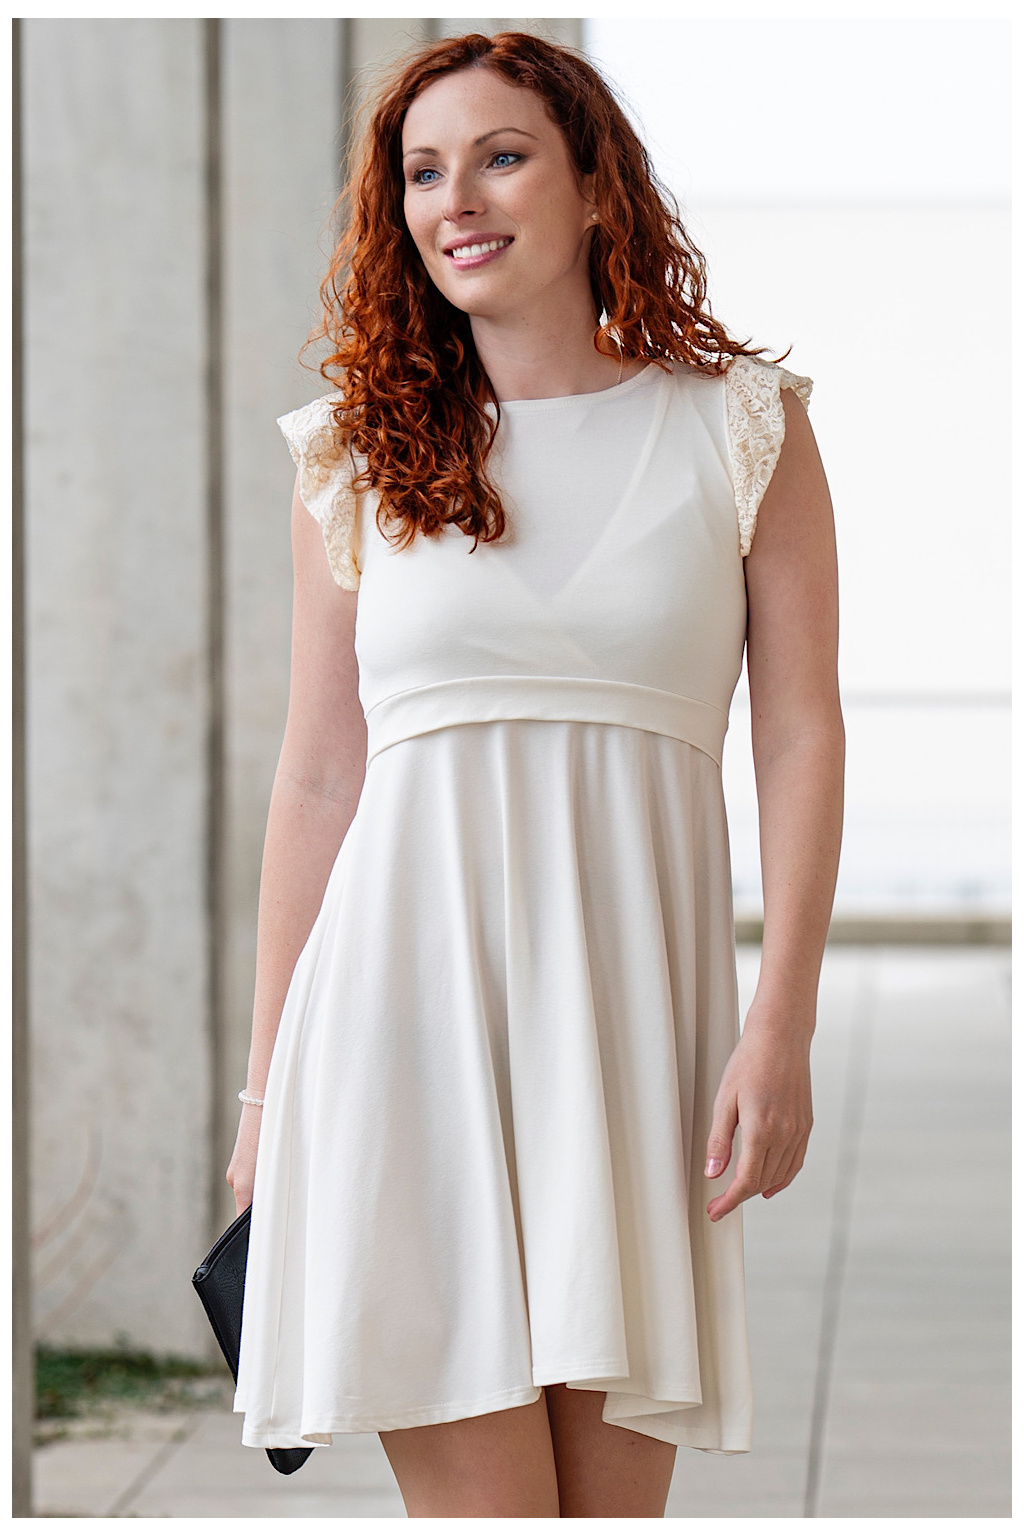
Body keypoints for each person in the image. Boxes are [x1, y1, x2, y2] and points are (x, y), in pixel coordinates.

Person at [226, 30, 844, 1519]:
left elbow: (801, 733)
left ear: (592, 185)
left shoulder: (742, 425)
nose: (458, 200)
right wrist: (263, 1094)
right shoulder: (353, 455)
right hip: (397, 1037)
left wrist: (780, 1027)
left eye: (500, 157)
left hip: (633, 1042)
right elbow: (318, 779)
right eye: (422, 172)